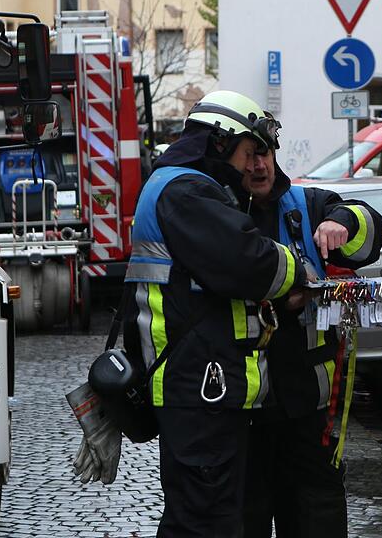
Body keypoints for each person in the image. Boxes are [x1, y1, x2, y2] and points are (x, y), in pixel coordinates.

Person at [121, 90, 305, 537]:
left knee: (204, 517)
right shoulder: (187, 191)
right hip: (197, 384)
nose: (250, 165)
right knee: (205, 522)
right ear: (220, 144)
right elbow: (252, 264)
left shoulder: (181, 186)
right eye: (247, 152)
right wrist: (299, 268)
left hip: (199, 384)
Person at [241, 144, 382, 538]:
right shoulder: (220, 211)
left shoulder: (307, 203)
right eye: (248, 157)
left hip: (308, 406)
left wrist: (342, 221)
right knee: (244, 518)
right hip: (244, 413)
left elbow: (370, 226)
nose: (258, 165)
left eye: (264, 154)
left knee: (316, 515)